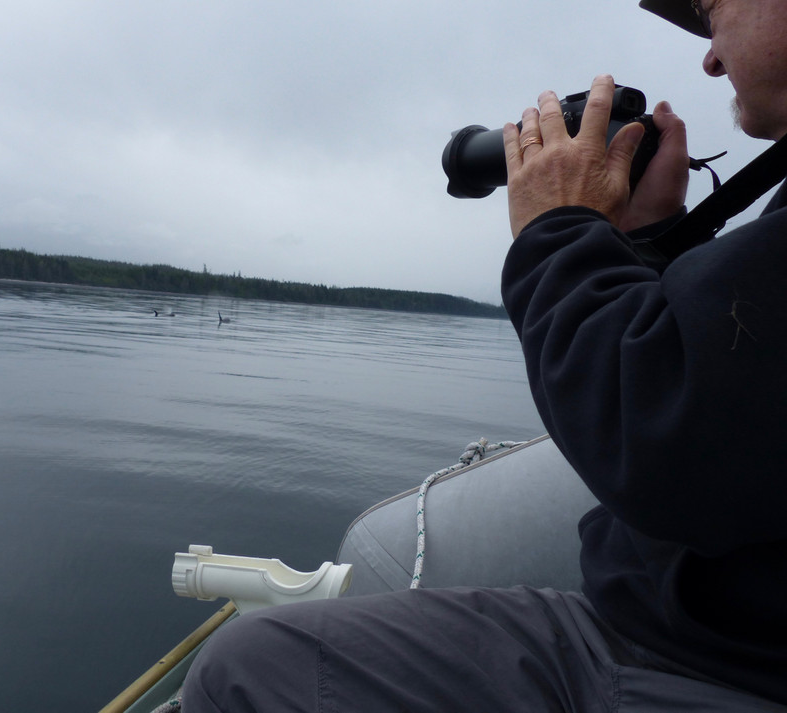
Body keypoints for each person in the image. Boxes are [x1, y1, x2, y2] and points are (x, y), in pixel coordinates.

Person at [182, 1, 787, 710]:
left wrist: (558, 230)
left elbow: (653, 439)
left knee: (244, 667)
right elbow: (732, 395)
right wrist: (651, 234)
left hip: (702, 663)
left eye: (715, 10)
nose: (711, 58)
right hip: (722, 639)